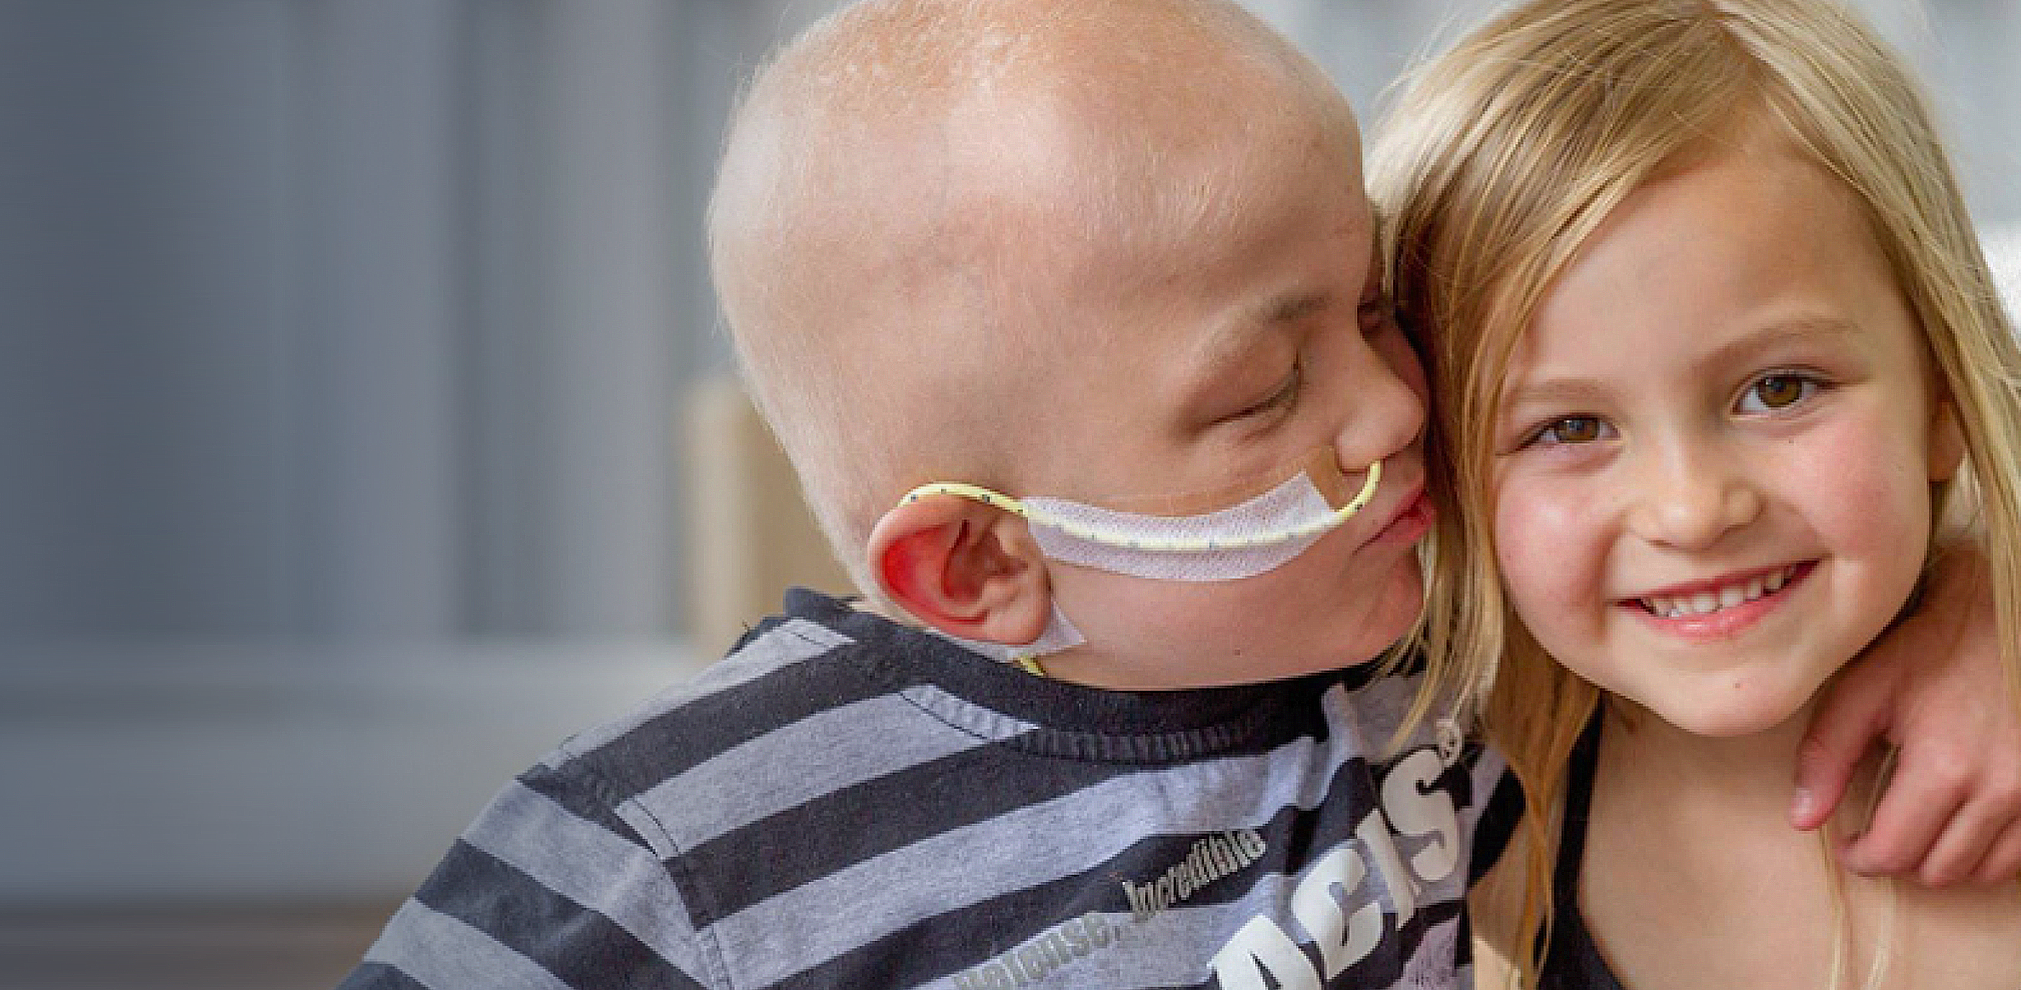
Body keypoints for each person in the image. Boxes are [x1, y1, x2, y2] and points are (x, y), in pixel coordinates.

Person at [344, 2, 2021, 988]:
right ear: (982, 561)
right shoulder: (675, 843)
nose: (1396, 406)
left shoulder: (1428, 679)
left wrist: (1982, 584)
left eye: (1379, 315)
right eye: (1268, 389)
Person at [1372, 0, 2021, 985]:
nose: (1691, 509)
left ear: (1941, 389)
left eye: (1778, 389)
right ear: (1448, 470)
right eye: (1569, 428)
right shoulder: (1426, 824)